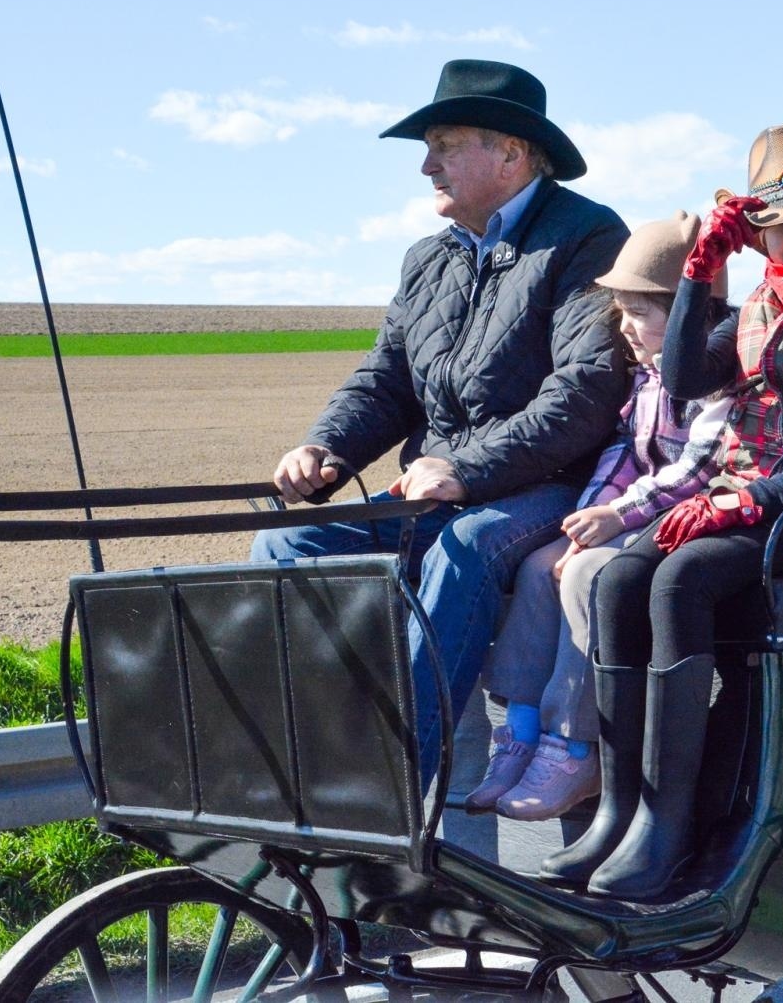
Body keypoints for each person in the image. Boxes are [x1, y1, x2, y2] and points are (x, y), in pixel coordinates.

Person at [539, 120, 783, 899]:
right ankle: (619, 812)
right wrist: (698, 276)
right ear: (761, 236)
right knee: (619, 580)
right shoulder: (752, 306)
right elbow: (681, 378)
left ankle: (669, 828)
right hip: (744, 501)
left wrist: (753, 499)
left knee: (682, 580)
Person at [251, 59, 629, 787]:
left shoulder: (587, 236)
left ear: (512, 153)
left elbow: (587, 389)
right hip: (437, 486)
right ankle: (312, 752)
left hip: (548, 486)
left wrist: (467, 469)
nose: (427, 166)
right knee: (287, 542)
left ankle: (396, 777)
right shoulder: (428, 259)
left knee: (467, 545)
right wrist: (326, 445)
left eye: (445, 146)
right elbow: (387, 378)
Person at [465, 213, 734, 821]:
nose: (624, 327)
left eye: (638, 312)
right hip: (635, 511)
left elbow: (698, 468)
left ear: (691, 314)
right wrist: (588, 518)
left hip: (689, 517)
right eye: (621, 311)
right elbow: (624, 453)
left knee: (591, 578)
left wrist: (616, 515)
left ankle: (573, 746)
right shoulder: (647, 376)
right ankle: (521, 731)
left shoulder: (721, 377)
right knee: (543, 568)